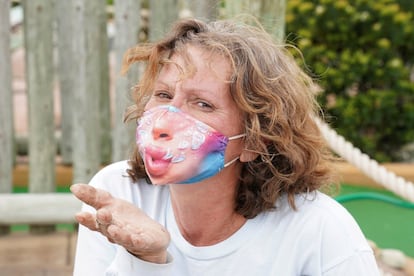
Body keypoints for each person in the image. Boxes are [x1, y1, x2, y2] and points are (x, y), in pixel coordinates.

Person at [71, 18, 380, 275]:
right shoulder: (118, 194)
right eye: (163, 95)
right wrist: (143, 260)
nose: (166, 119)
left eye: (202, 104)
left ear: (255, 140)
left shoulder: (321, 230)